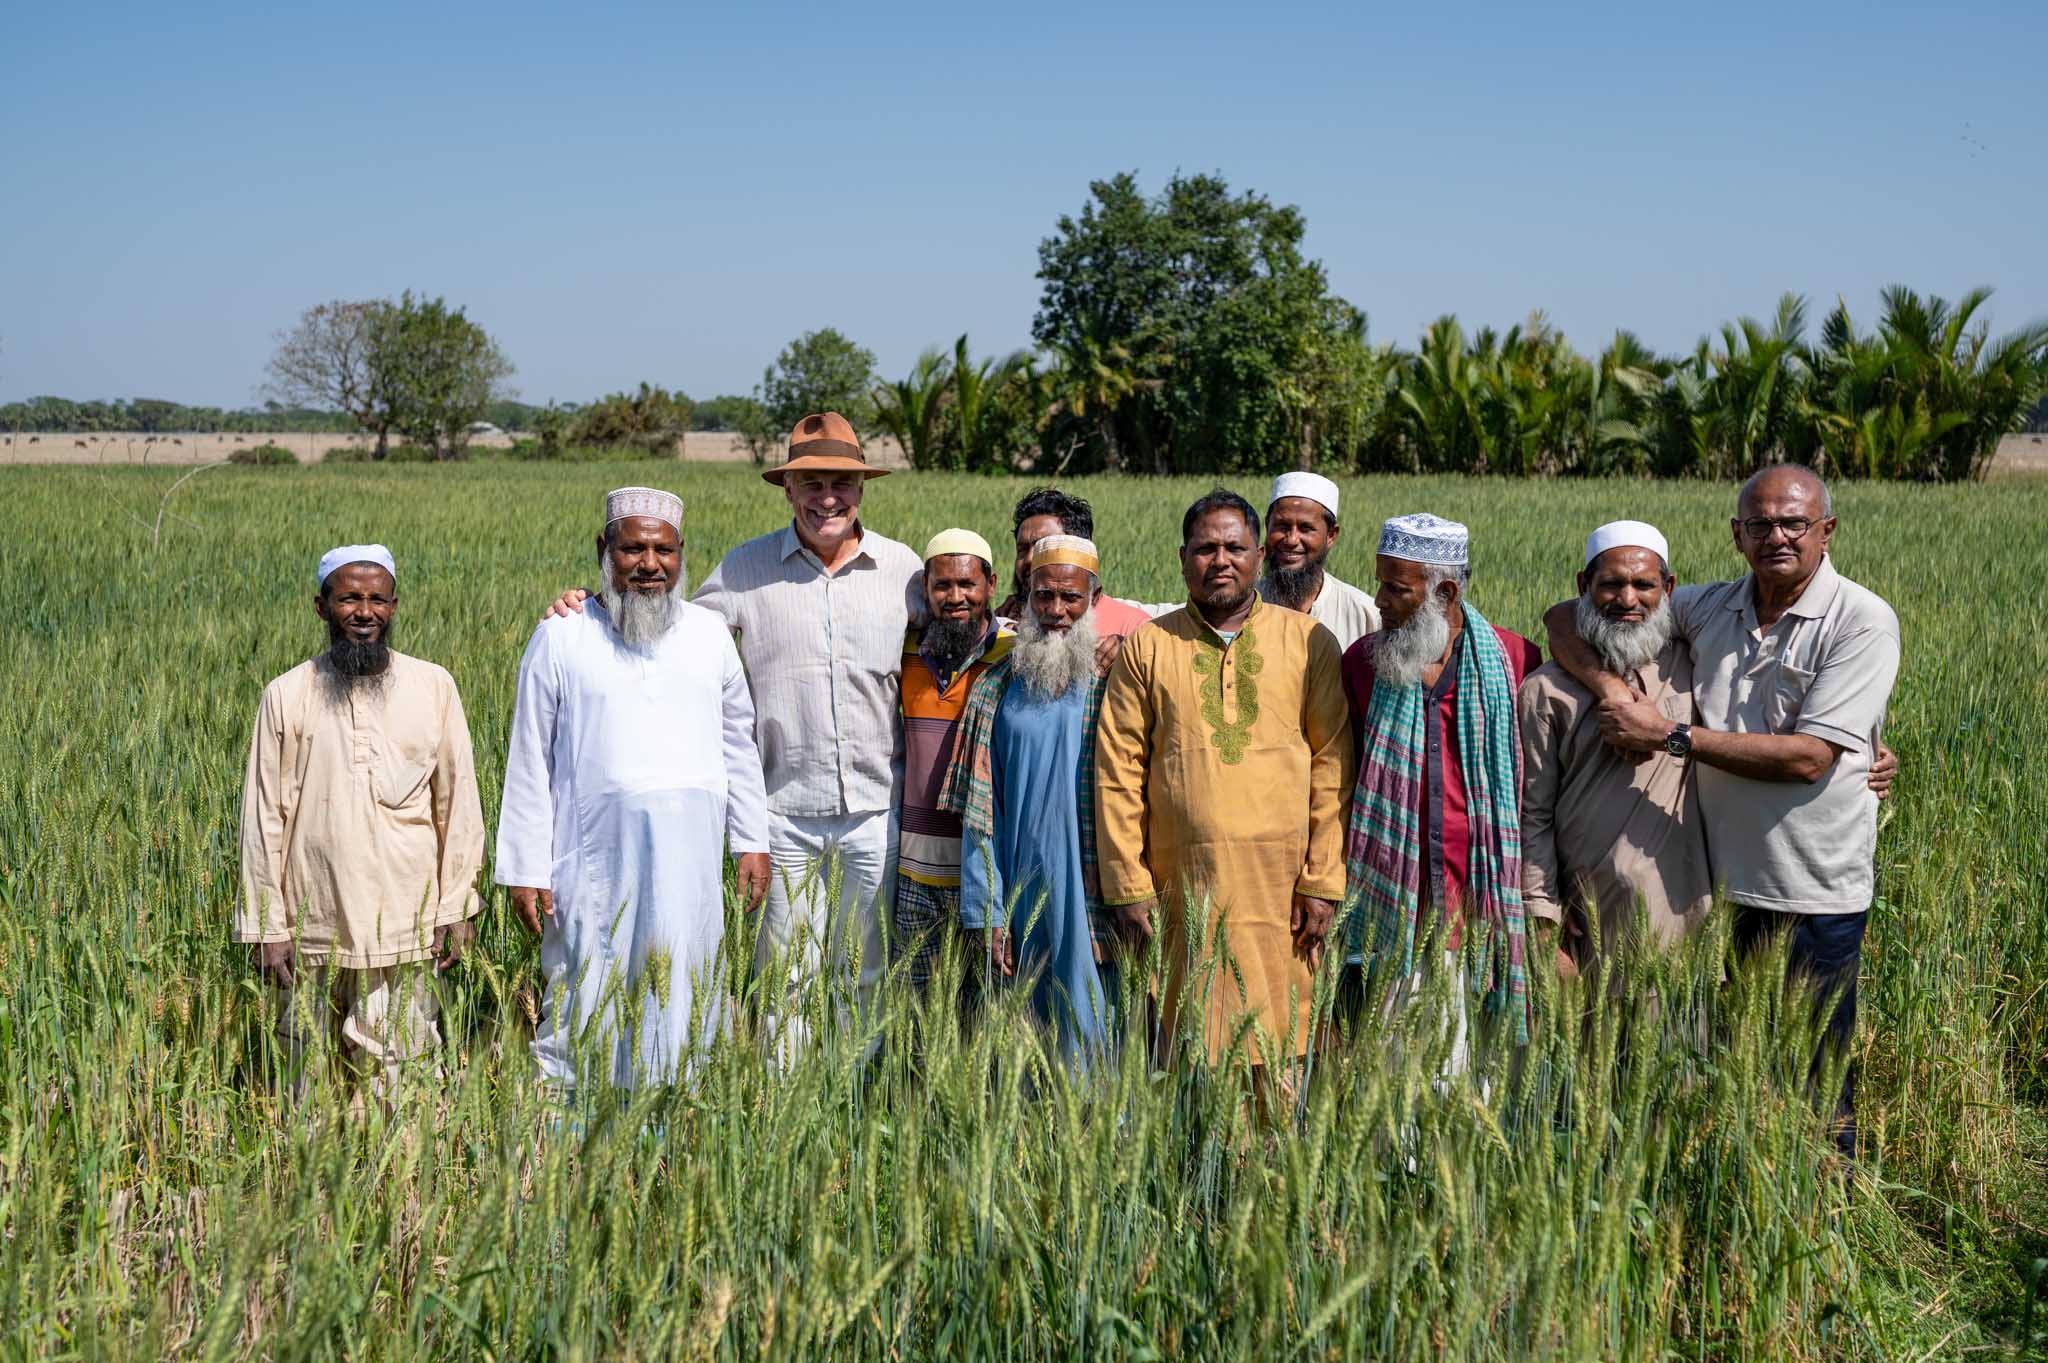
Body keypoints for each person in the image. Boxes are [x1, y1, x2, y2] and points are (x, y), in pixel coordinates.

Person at [1545, 465, 1900, 1156]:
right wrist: (1613, 694)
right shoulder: (1710, 606)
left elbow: (1809, 757)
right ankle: (1746, 1207)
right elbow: (1566, 615)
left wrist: (1667, 734)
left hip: (1811, 891)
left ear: (1827, 531)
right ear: (1736, 534)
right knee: (1736, 1073)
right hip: (1716, 891)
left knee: (1815, 1077)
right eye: (1759, 523)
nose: (1777, 536)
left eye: (1795, 522)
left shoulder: (1861, 619)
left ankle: (1827, 1230)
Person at [544, 414, 921, 1062]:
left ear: (862, 488)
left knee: (864, 969)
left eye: (841, 482)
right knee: (786, 976)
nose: (827, 496)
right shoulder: (745, 569)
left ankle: (857, 1100)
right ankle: (784, 1106)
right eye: (811, 481)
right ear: (788, 489)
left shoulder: (904, 571)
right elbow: (664, 620)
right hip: (782, 812)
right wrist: (590, 600)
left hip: (876, 809)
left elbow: (970, 626)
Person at [497, 488, 770, 1088]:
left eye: (663, 550)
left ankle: (673, 1123)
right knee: (587, 990)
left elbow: (739, 745)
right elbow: (528, 760)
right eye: (633, 549)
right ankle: (573, 1133)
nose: (649, 564)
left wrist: (751, 840)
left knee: (684, 989)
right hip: (592, 862)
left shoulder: (708, 633)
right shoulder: (561, 637)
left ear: (681, 555)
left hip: (689, 864)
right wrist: (524, 869)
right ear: (604, 549)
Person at [1093, 490, 1354, 1065]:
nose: (1220, 560)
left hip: (1283, 898)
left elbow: (1332, 765)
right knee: (1193, 1055)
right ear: (1182, 558)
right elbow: (1118, 771)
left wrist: (1323, 880)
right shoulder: (1149, 646)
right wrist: (1127, 886)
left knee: (1279, 1056)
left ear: (1259, 556)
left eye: (1234, 547)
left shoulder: (1308, 642)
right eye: (1205, 548)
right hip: (1184, 894)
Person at [238, 544, 486, 1100]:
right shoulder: (286, 694)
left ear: (395, 606)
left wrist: (456, 908)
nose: (364, 612)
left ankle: (404, 1183)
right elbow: (263, 819)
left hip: (405, 922)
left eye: (377, 599)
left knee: (402, 1071)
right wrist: (266, 927)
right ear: (321, 607)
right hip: (311, 926)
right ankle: (311, 1184)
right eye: (349, 598)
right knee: (305, 1078)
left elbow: (459, 808)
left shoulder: (434, 687)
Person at [1343, 514, 1542, 1056]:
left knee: (1476, 1072)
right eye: (1379, 581)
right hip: (1392, 911)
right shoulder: (1362, 664)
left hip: (1480, 905)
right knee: (1393, 1076)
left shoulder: (1516, 659)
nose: (1378, 599)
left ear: (1445, 591)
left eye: (1395, 588)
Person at [941, 534, 1116, 1065]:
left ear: (1094, 599)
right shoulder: (995, 687)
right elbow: (979, 817)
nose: (1057, 611)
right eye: (1044, 597)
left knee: (1095, 1030)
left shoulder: (1117, 681)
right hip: (1020, 892)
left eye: (1071, 599)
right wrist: (987, 911)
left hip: (1094, 896)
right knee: (1026, 1041)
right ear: (1026, 595)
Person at [1517, 522, 1711, 981]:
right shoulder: (1547, 690)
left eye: (1643, 585)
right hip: (1589, 930)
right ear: (1584, 586)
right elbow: (1531, 814)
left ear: (1668, 589)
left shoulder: (1699, 667)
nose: (1627, 600)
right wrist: (1542, 925)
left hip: (1691, 925)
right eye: (1611, 584)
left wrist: (1861, 748)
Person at [894, 528, 1012, 994]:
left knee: (986, 1015)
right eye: (942, 585)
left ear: (991, 585)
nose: (955, 596)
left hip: (988, 875)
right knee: (918, 1021)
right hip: (914, 873)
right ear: (926, 588)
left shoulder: (1016, 655)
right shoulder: (902, 651)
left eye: (968, 584)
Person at [994, 486, 1159, 639]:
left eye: (1044, 547)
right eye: (1022, 549)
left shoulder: (1133, 629)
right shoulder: (1005, 623)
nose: (1030, 559)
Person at [1259, 472, 1380, 650]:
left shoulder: (1366, 616)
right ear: (1267, 526)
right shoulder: (1244, 607)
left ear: (1331, 535)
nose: (1291, 540)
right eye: (1282, 526)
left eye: (1305, 528)